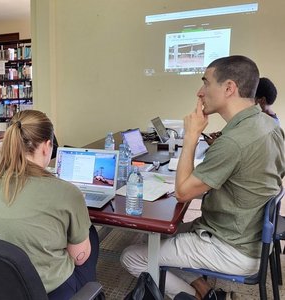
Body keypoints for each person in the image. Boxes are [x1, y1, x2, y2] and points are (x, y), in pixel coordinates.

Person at [121, 55, 285, 299]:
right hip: (252, 237)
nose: (200, 92)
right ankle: (206, 290)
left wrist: (191, 137)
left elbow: (183, 192)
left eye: (206, 83)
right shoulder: (270, 126)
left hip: (231, 247)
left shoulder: (233, 141)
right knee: (165, 234)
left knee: (132, 256)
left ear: (229, 88)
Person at [0, 110, 100, 300]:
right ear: (47, 147)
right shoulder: (67, 193)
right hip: (48, 292)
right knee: (91, 235)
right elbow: (79, 256)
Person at [204, 76, 279, 145]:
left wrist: (219, 144)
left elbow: (245, 144)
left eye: (252, 98)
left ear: (262, 100)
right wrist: (224, 136)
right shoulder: (265, 121)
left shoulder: (264, 124)